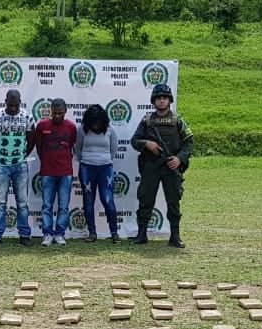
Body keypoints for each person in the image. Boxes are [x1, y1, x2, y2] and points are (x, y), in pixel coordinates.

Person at [131, 83, 194, 248]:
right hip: (151, 167)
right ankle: (141, 234)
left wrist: (179, 159)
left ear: (169, 100)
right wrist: (147, 144)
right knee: (145, 200)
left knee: (173, 202)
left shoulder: (177, 120)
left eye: (164, 98)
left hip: (171, 168)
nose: (161, 100)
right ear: (153, 101)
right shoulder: (146, 121)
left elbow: (189, 143)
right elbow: (134, 141)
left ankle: (175, 236)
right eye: (158, 98)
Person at [0, 89, 35, 247]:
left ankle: (24, 234)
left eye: (16, 105)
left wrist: (21, 156)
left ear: (20, 103)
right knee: (0, 202)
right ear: (5, 102)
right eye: (10, 105)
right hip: (2, 165)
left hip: (20, 165)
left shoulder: (27, 117)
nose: (13, 108)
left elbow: (31, 140)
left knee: (22, 202)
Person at [35, 97, 78, 246]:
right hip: (47, 171)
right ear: (51, 111)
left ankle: (60, 234)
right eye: (55, 113)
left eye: (60, 113)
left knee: (63, 206)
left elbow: (71, 145)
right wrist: (47, 160)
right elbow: (39, 147)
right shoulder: (42, 126)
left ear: (65, 111)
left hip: (65, 172)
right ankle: (47, 234)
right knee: (47, 205)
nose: (57, 116)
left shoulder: (71, 127)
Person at [75, 104, 120, 243]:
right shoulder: (82, 130)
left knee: (108, 199)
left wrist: (104, 160)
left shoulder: (110, 130)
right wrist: (86, 160)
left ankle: (114, 232)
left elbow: (113, 150)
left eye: (98, 121)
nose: (95, 125)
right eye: (93, 121)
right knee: (88, 201)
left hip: (105, 168)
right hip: (86, 167)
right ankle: (92, 233)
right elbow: (78, 149)